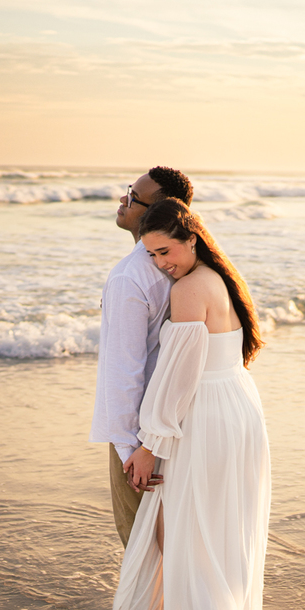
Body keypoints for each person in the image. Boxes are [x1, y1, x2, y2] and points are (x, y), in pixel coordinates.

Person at [82, 198, 271, 610]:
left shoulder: (188, 290)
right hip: (236, 407)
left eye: (167, 251)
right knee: (214, 523)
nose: (162, 263)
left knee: (183, 529)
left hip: (203, 415)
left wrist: (150, 444)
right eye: (152, 256)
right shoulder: (220, 278)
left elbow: (178, 375)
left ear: (191, 238)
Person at [90, 167, 194, 547]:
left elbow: (125, 372)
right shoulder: (182, 267)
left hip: (138, 438)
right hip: (178, 424)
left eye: (133, 197)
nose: (123, 200)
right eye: (128, 191)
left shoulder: (130, 276)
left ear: (156, 211)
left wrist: (127, 450)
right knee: (173, 540)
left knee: (140, 545)